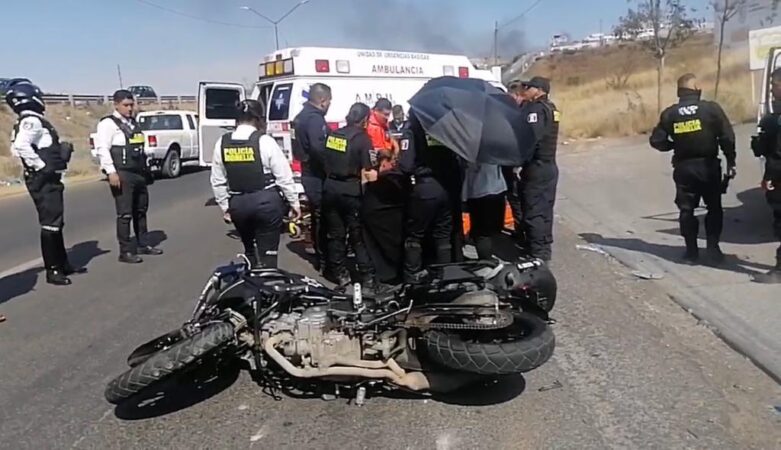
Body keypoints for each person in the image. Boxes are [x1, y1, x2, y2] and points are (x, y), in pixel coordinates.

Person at [650, 73, 736, 264]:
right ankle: (713, 249)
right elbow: (727, 137)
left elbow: (656, 141)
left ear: (679, 92)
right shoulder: (711, 109)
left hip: (684, 168)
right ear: (697, 89)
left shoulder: (670, 114)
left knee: (686, 209)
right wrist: (731, 161)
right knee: (714, 207)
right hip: (708, 166)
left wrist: (676, 146)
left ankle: (691, 253)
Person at [6, 82, 85, 285]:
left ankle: (62, 263)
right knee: (50, 225)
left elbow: (16, 148)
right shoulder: (31, 121)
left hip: (47, 179)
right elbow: (21, 146)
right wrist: (41, 166)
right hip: (43, 180)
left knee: (56, 222)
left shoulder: (30, 120)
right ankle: (53, 270)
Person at [211, 100, 300, 268]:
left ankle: (251, 281)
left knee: (249, 251)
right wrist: (294, 203)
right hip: (265, 202)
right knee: (268, 256)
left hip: (238, 205)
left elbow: (218, 180)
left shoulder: (222, 143)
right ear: (258, 119)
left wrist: (225, 207)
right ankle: (267, 282)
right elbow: (283, 176)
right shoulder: (265, 141)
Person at [94, 90, 163, 264]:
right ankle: (125, 251)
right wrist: (111, 172)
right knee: (125, 214)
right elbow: (102, 148)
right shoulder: (108, 124)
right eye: (126, 105)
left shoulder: (133, 123)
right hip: (122, 173)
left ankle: (143, 244)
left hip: (138, 172)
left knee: (141, 210)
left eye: (132, 105)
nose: (130, 108)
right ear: (116, 105)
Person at [321, 103, 378, 289]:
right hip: (350, 190)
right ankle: (367, 275)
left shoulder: (333, 134)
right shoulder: (362, 139)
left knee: (335, 234)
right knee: (357, 234)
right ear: (364, 120)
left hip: (330, 188)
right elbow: (369, 168)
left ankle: (339, 273)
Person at [399, 111, 455, 281]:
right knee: (443, 235)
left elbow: (406, 165)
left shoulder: (411, 131)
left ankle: (412, 280)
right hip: (446, 186)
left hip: (424, 187)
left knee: (414, 236)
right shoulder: (442, 128)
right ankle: (444, 277)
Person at [516, 76, 560, 262]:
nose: (526, 90)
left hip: (537, 167)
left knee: (534, 210)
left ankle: (537, 254)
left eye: (529, 87)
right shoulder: (551, 108)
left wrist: (519, 161)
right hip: (549, 166)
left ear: (539, 89)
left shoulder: (535, 110)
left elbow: (531, 140)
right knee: (545, 209)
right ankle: (543, 246)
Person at [291, 83, 331, 272]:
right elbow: (318, 148)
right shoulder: (314, 119)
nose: (330, 104)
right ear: (322, 100)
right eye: (329, 100)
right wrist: (331, 168)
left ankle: (319, 254)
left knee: (316, 216)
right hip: (317, 174)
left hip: (308, 172)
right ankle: (325, 261)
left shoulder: (299, 117)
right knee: (323, 217)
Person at [750, 67, 781, 283]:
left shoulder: (776, 119)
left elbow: (777, 154)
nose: (771, 90)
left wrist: (769, 177)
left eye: (774, 85)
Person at [463, 163, 507, 260]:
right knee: (491, 230)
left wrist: (464, 197)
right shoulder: (497, 150)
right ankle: (488, 257)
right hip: (497, 189)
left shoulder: (471, 152)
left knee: (482, 233)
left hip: (479, 192)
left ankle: (486, 260)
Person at [503, 80, 528, 239]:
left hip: (517, 164)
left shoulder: (523, 113)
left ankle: (522, 232)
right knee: (515, 199)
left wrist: (517, 165)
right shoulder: (518, 111)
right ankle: (521, 230)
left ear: (518, 95)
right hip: (512, 162)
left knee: (517, 200)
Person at [366, 98, 399, 169]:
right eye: (385, 114)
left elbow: (388, 136)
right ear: (376, 111)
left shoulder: (382, 121)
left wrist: (395, 145)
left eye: (389, 114)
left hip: (388, 160)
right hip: (379, 165)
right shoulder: (371, 127)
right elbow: (378, 151)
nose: (387, 118)